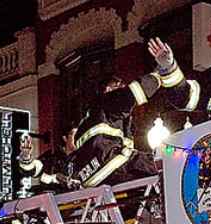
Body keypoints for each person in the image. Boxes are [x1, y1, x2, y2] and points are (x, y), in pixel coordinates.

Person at [60, 38, 183, 189]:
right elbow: (137, 90)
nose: (122, 87)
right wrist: (162, 70)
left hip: (93, 177)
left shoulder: (90, 117)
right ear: (107, 90)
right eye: (118, 86)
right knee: (164, 162)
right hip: (112, 162)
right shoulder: (107, 102)